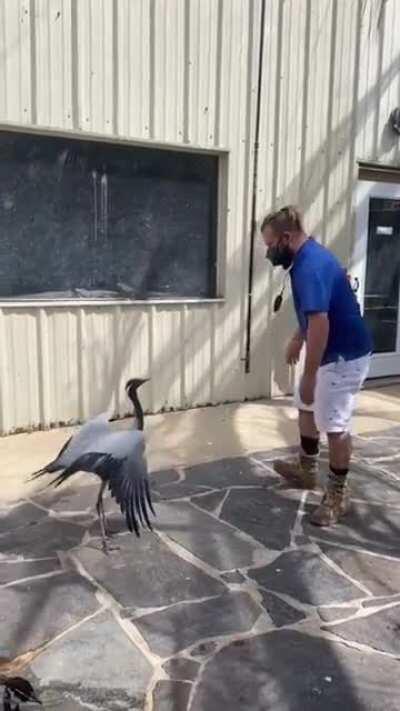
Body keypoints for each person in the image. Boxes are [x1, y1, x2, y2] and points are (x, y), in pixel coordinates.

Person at [261, 206, 372, 526]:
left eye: (270, 245)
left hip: (343, 356)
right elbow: (316, 311)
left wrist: (310, 375)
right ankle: (307, 471)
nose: (268, 252)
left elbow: (320, 323)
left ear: (286, 237)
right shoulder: (309, 256)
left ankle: (338, 494)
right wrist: (298, 337)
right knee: (306, 406)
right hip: (331, 352)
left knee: (335, 425)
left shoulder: (309, 266)